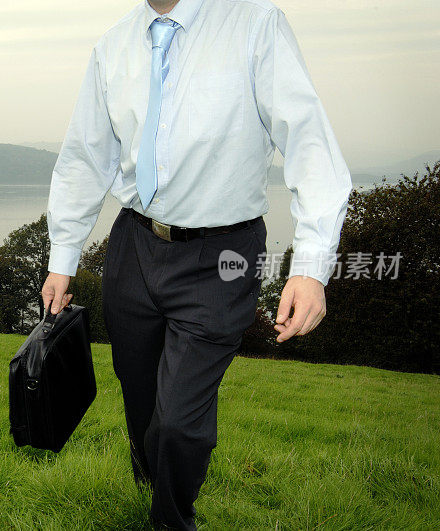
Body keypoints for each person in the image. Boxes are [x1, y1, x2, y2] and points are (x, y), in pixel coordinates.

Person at [40, 0, 352, 528]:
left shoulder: (256, 24)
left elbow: (309, 141)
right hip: (133, 245)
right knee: (140, 397)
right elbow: (85, 156)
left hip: (223, 254)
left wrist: (311, 266)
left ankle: (171, 518)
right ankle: (152, 477)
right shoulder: (113, 45)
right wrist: (63, 257)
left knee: (179, 422)